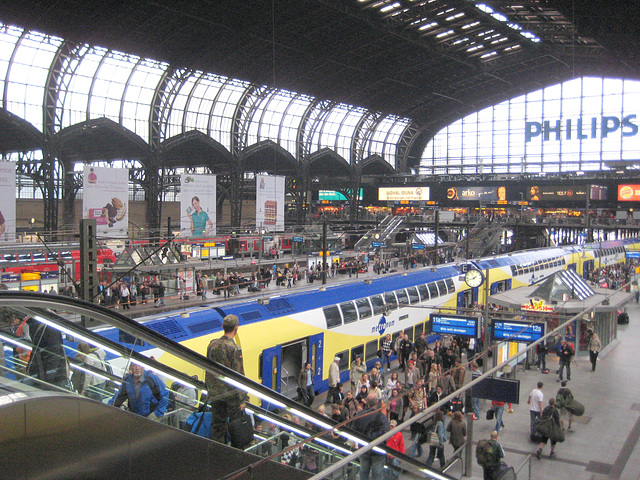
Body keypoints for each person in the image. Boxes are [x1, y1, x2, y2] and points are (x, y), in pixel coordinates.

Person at [205, 314, 246, 444]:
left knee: (217, 427)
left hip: (215, 394)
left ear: (222, 327)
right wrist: (243, 399)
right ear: (236, 328)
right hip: (231, 395)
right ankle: (235, 454)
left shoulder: (211, 345)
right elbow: (239, 374)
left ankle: (217, 453)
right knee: (236, 428)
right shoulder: (234, 349)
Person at [351, 393, 389, 480]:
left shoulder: (359, 415)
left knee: (363, 472)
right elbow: (386, 433)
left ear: (366, 402)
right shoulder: (381, 416)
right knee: (377, 474)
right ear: (377, 402)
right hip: (378, 450)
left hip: (364, 449)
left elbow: (353, 430)